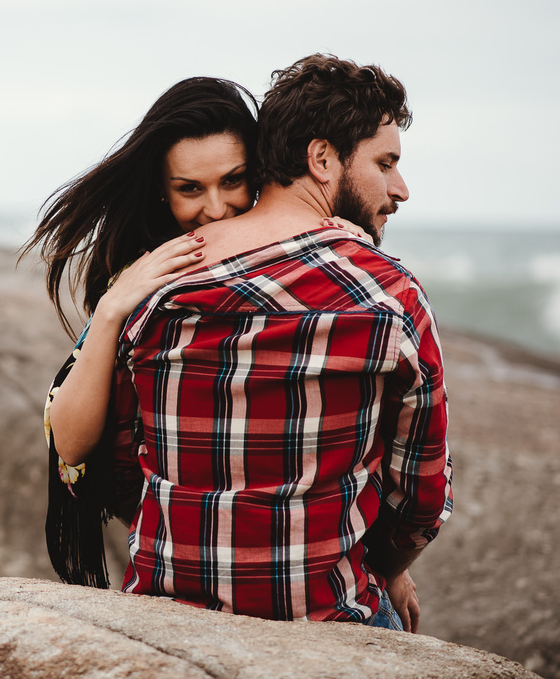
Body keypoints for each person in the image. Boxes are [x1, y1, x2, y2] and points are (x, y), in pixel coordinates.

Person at [70, 54, 453, 633]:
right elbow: (421, 494)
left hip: (162, 610)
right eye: (386, 163)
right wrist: (386, 567)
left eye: (232, 181)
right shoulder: (387, 292)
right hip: (329, 620)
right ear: (321, 159)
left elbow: (121, 469)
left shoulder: (158, 285)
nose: (400, 188)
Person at [23, 76, 364, 590]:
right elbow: (69, 445)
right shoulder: (149, 272)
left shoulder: (314, 250)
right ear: (162, 191)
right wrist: (112, 309)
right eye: (190, 189)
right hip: (180, 551)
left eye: (234, 180)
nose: (216, 207)